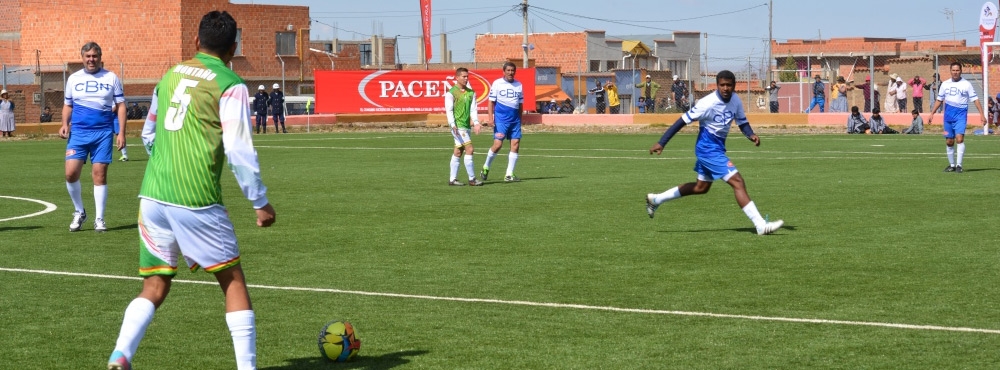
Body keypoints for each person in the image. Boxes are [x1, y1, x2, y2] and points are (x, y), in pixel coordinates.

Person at [106, 11, 276, 370]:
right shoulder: (230, 84)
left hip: (152, 194)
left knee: (154, 284)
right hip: (196, 199)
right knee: (232, 280)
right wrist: (260, 202)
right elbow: (239, 150)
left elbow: (149, 133)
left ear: (196, 42)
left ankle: (121, 354)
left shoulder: (170, 74)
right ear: (234, 47)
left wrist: (169, 159)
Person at [645, 70, 783, 235]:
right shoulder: (707, 103)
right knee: (737, 181)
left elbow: (742, 122)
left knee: (701, 187)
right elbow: (681, 121)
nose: (725, 88)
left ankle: (656, 199)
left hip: (716, 148)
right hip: (707, 149)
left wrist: (750, 134)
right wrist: (662, 142)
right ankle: (760, 224)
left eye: (729, 85)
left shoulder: (736, 101)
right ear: (717, 85)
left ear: (734, 86)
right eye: (722, 85)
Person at [59, 41, 127, 233]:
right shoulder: (73, 79)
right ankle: (79, 211)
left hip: (103, 134)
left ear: (100, 58)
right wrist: (65, 123)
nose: (91, 60)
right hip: (78, 133)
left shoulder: (111, 77)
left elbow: (121, 106)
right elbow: (68, 104)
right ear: (82, 58)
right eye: (87, 56)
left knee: (100, 175)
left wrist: (121, 133)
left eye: (94, 56)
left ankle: (99, 218)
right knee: (70, 174)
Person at [928, 62, 986, 173]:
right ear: (950, 71)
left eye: (957, 70)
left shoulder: (966, 84)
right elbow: (939, 100)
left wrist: (982, 115)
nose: (955, 72)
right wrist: (932, 113)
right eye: (953, 70)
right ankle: (952, 165)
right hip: (948, 118)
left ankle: (959, 165)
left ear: (961, 71)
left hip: (960, 116)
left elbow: (975, 100)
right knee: (949, 142)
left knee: (959, 139)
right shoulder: (945, 84)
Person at [482, 61, 523, 183]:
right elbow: (490, 102)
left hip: (515, 120)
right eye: (508, 70)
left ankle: (509, 174)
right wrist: (490, 118)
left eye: (512, 70)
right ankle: (486, 166)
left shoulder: (519, 85)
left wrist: (520, 119)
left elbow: (520, 104)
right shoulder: (497, 83)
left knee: (515, 145)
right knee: (498, 145)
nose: (510, 72)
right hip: (501, 120)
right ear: (504, 71)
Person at [445, 67, 483, 186]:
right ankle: (472, 179)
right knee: (470, 149)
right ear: (457, 78)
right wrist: (452, 124)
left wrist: (476, 122)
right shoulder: (451, 93)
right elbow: (449, 110)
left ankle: (452, 179)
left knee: (458, 151)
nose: (466, 79)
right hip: (458, 126)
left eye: (467, 76)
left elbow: (473, 109)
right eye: (463, 76)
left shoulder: (471, 93)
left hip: (466, 126)